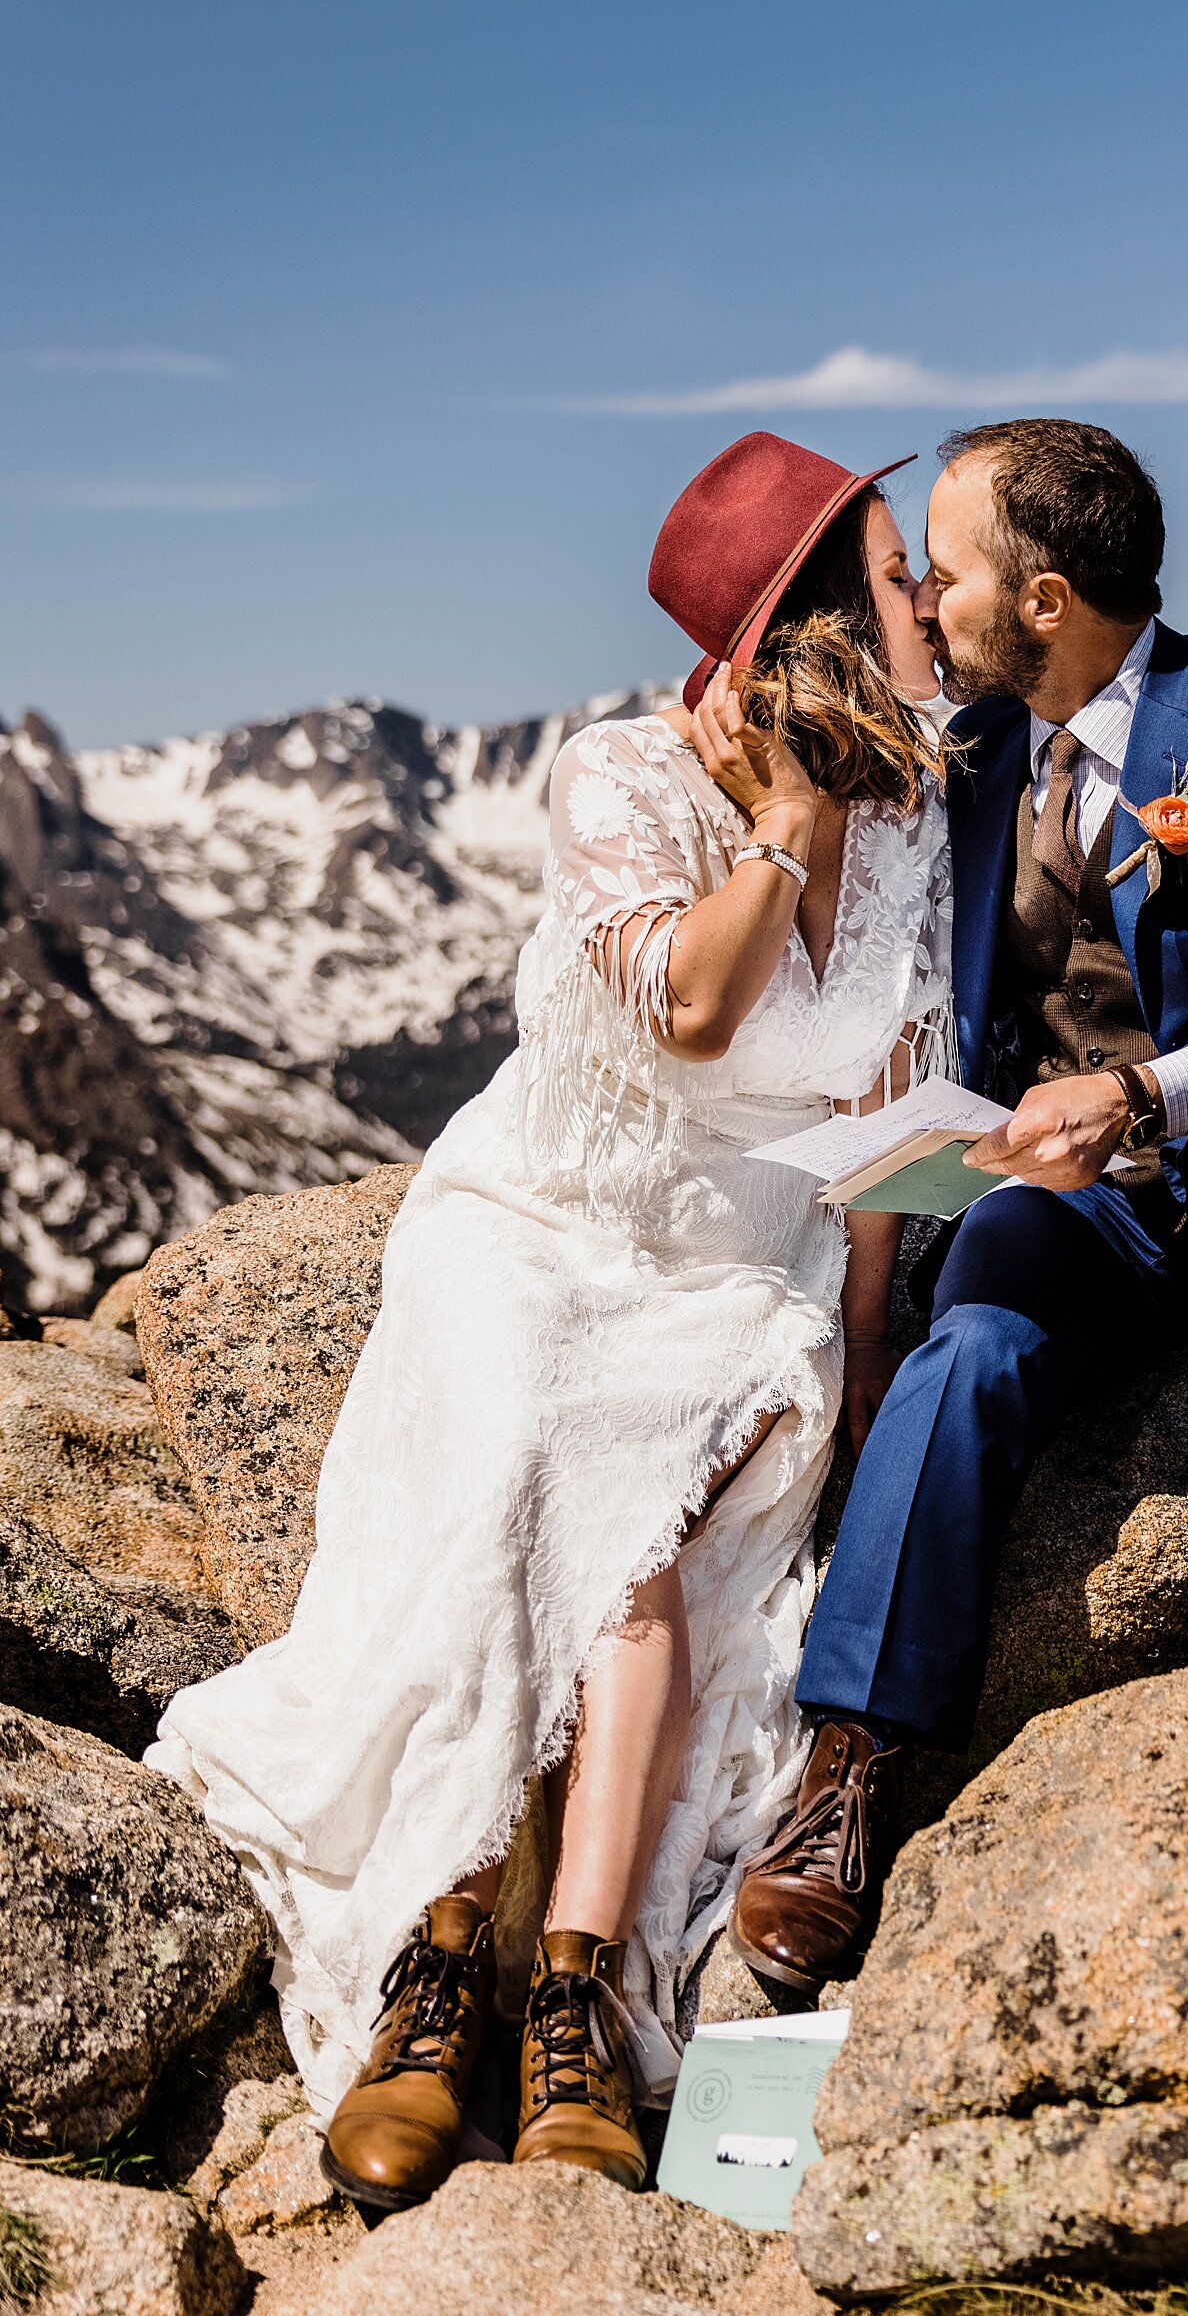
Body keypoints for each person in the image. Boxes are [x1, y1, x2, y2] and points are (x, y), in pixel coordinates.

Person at [147, 431, 951, 2209]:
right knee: (528, 1468)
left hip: (750, 1262)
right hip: (549, 1217)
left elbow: (901, 1103)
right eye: (900, 577)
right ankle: (441, 1957)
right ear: (805, 622)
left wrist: (874, 1357)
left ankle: (570, 1987)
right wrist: (790, 816)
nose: (935, 602)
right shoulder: (617, 778)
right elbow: (680, 1010)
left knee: (650, 1515)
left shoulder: (920, 820)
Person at [730, 416, 1188, 1997]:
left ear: (1045, 598)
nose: (924, 593)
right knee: (971, 1337)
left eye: (950, 568)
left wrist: (1138, 1094)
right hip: (1077, 1208)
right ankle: (852, 1764)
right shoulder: (977, 759)